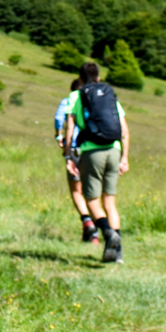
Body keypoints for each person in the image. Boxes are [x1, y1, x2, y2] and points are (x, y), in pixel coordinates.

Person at [64, 61, 130, 263]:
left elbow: (70, 128)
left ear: (80, 79)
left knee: (92, 200)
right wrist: (124, 158)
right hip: (114, 150)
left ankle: (108, 233)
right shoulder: (109, 95)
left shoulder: (76, 96)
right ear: (99, 78)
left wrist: (69, 156)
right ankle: (117, 254)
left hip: (91, 152)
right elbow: (124, 130)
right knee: (110, 202)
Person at [55, 77, 97, 243]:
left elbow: (58, 119)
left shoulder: (68, 101)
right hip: (91, 147)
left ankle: (87, 221)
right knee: (92, 192)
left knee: (76, 191)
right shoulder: (94, 101)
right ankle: (94, 234)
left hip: (73, 149)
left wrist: (59, 136)